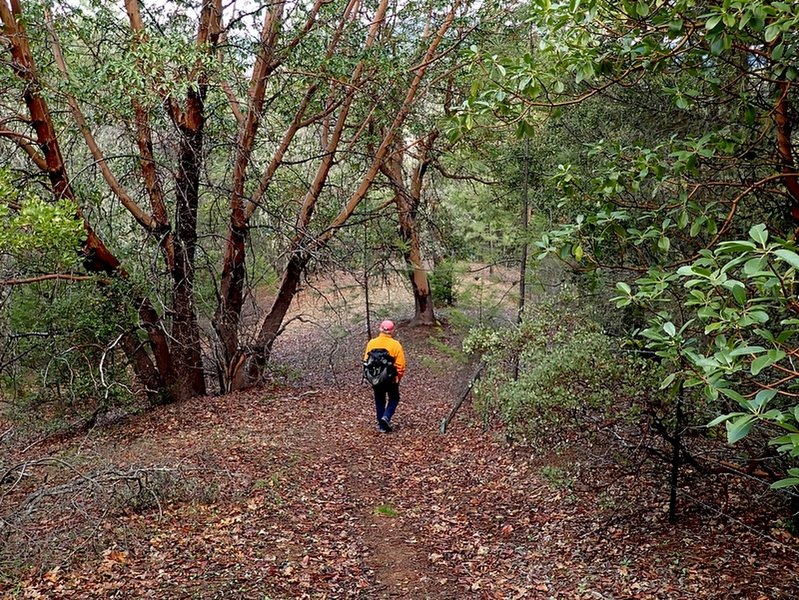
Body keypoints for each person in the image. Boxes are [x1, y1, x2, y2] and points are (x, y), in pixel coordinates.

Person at [363, 319, 406, 432]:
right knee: (394, 398)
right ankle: (386, 417)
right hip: (391, 379)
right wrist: (397, 377)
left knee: (379, 399)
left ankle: (382, 426)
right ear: (392, 331)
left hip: (376, 378)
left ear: (380, 329)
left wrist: (371, 377)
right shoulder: (395, 345)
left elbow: (366, 361)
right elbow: (400, 365)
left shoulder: (371, 343)